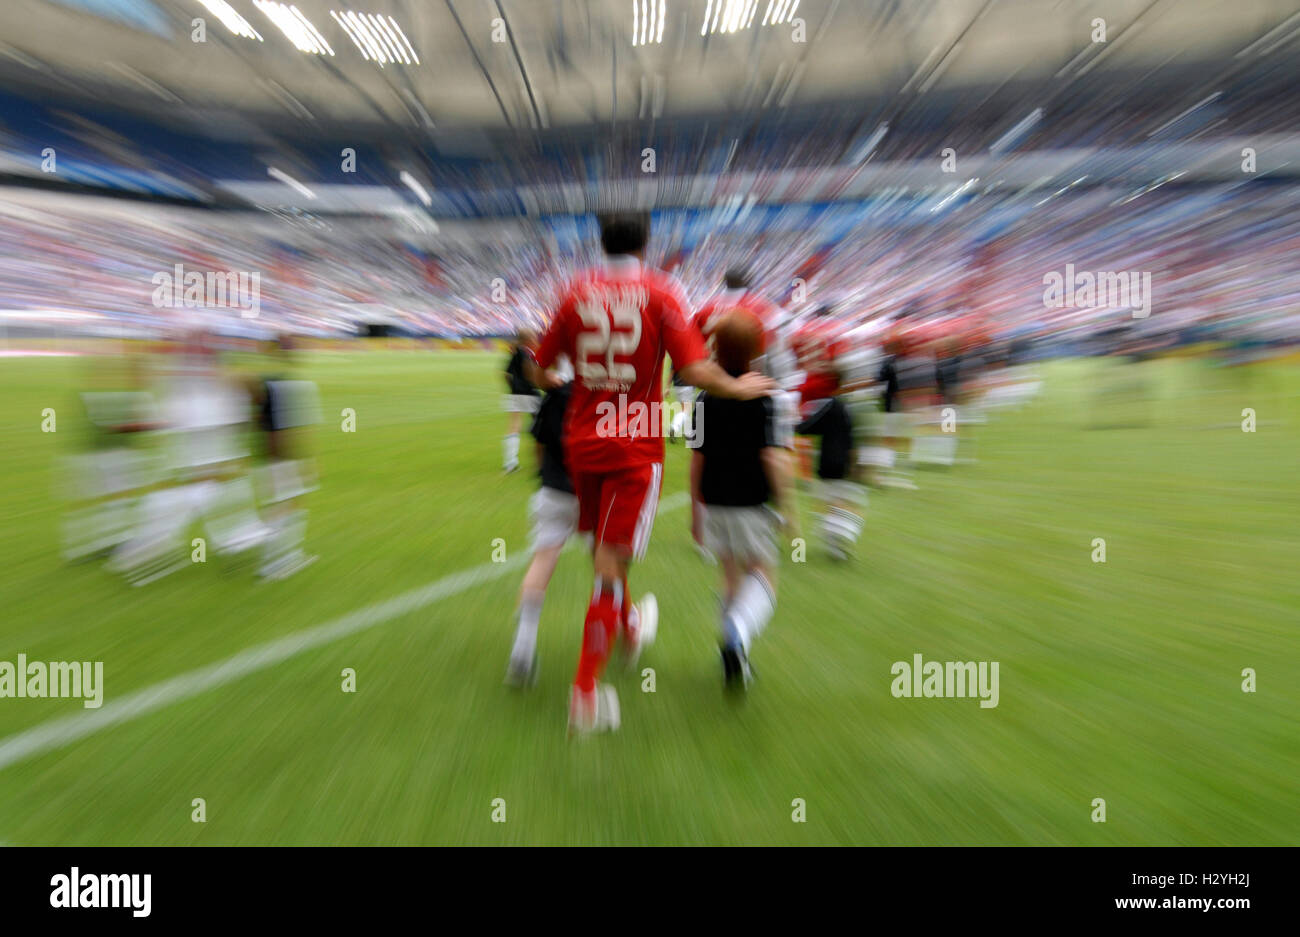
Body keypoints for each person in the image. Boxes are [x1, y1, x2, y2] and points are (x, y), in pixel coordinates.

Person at [526, 212, 775, 735]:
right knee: (609, 567)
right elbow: (692, 368)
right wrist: (735, 388)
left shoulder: (575, 291)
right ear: (645, 242)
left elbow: (538, 366)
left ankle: (630, 628)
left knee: (606, 556)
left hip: (582, 442)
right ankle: (585, 693)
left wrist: (558, 376)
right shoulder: (661, 292)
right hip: (633, 446)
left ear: (602, 241)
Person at [691, 310, 791, 691]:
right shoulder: (766, 396)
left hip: (714, 499)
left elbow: (697, 458)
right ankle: (738, 632)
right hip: (752, 501)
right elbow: (772, 456)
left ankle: (733, 655)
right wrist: (788, 507)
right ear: (757, 350)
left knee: (729, 574)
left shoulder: (704, 397)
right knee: (764, 575)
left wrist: (694, 511)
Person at [504, 368, 577, 688]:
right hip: (591, 493)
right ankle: (627, 626)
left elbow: (539, 442)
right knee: (609, 565)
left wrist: (542, 474)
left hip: (552, 490)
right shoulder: (607, 394)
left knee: (542, 560)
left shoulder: (557, 395)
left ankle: (524, 642)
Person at [501, 330, 539, 473]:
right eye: (534, 337)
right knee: (541, 425)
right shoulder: (527, 353)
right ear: (528, 339)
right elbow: (531, 374)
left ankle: (510, 462)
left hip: (515, 394)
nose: (536, 340)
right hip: (530, 393)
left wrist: (513, 387)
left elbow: (505, 374)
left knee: (514, 426)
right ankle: (542, 462)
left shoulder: (514, 352)